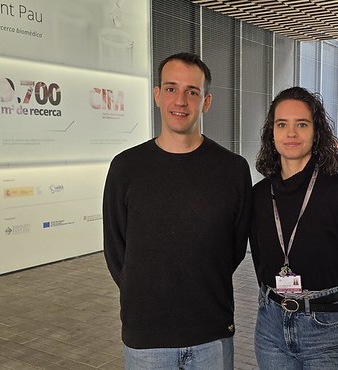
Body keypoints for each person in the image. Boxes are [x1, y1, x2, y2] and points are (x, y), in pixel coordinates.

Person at [102, 52, 253, 370]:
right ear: (157, 95)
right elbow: (116, 250)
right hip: (146, 337)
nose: (180, 101)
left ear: (206, 102)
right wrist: (142, 292)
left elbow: (235, 247)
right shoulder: (126, 168)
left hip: (211, 332)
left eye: (192, 92)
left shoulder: (232, 170)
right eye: (171, 88)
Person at [250, 86, 338, 369]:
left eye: (302, 124)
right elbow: (261, 258)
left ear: (316, 131)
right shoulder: (259, 195)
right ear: (271, 133)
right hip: (271, 326)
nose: (291, 133)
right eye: (282, 124)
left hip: (328, 329)